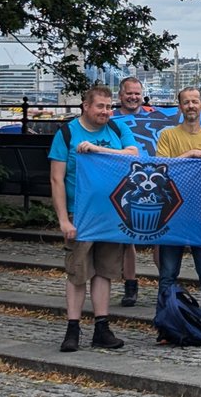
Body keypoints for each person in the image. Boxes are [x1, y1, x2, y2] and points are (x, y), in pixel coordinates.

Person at [49, 85, 138, 352]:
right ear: (85, 106)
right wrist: (64, 219)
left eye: (109, 106)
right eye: (100, 106)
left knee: (105, 272)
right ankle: (73, 328)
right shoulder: (67, 133)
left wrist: (98, 151)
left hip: (111, 213)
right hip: (81, 213)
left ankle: (102, 326)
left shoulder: (117, 130)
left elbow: (133, 155)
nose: (106, 111)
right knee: (78, 273)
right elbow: (57, 179)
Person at [154, 86, 201, 343]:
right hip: (172, 216)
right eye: (186, 102)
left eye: (195, 101)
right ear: (179, 107)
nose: (191, 106)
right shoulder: (167, 136)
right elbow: (161, 170)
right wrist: (190, 155)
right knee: (168, 274)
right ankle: (165, 327)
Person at [114, 76, 153, 306]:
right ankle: (130, 285)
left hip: (152, 180)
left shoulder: (154, 116)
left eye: (137, 93)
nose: (133, 97)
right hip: (123, 182)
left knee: (162, 238)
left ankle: (167, 284)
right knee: (127, 238)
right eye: (129, 93)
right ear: (120, 95)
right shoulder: (110, 119)